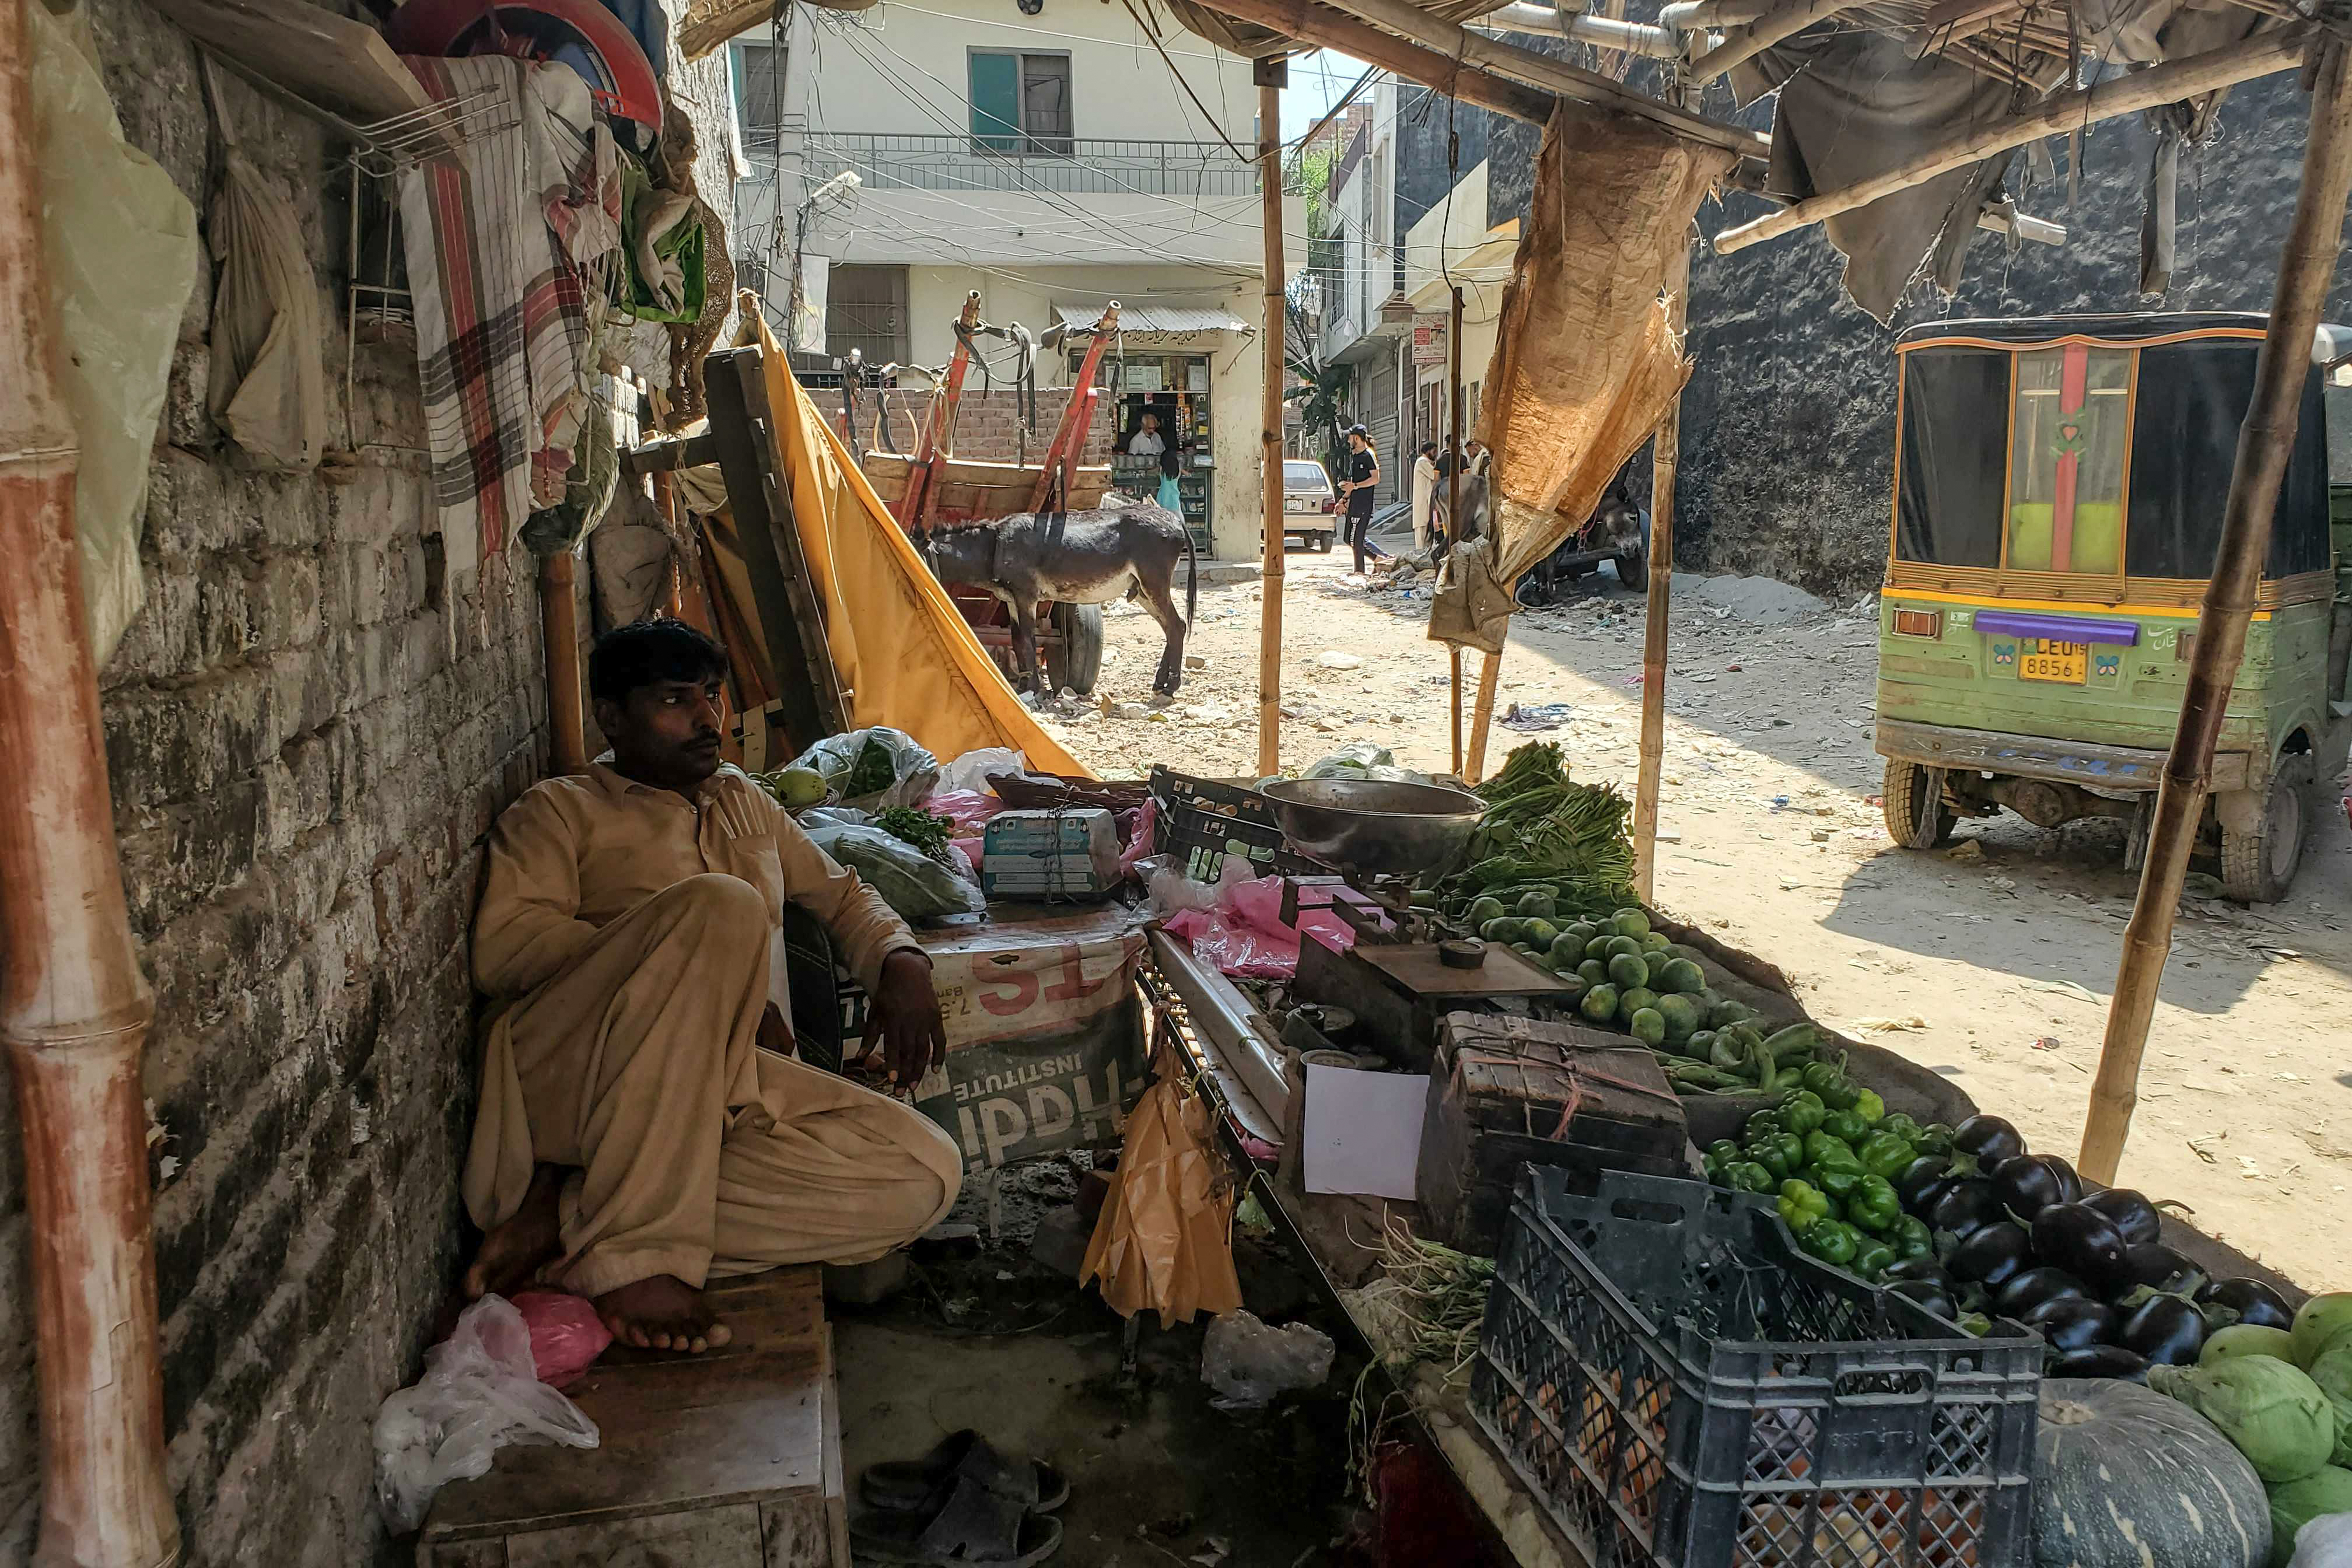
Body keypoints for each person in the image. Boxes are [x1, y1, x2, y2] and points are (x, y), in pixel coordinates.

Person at [461, 620, 963, 1353]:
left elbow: (842, 898)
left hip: (719, 1093)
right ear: (612, 716)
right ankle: (638, 1258)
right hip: (577, 1078)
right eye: (674, 699)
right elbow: (507, 952)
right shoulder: (559, 812)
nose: (707, 720)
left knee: (925, 1173)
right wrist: (705, 979)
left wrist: (902, 962)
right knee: (724, 906)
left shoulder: (740, 800)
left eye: (713, 697)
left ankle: (571, 1216)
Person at [1337, 425, 1380, 574]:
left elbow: (1375, 479)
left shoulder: (1368, 455)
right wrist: (1343, 499)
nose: (1348, 441)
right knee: (1349, 539)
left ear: (1356, 438)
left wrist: (1355, 486)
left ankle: (1360, 571)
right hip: (1353, 503)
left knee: (1356, 540)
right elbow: (1352, 484)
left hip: (1363, 504)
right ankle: (1379, 558)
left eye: (1349, 437)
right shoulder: (1356, 456)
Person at [1127, 408, 1183, 515]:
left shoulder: (1157, 437)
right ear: (1143, 426)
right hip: (1144, 480)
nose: (1152, 431)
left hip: (1159, 478)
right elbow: (1131, 462)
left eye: (1154, 428)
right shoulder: (1136, 441)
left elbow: (1164, 456)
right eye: (1149, 428)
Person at [1409, 441, 1440, 552]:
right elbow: (1436, 476)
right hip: (1422, 503)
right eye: (1434, 451)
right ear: (1427, 451)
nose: (1436, 454)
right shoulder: (1422, 462)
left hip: (1428, 502)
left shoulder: (1428, 462)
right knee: (1422, 534)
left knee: (1428, 534)